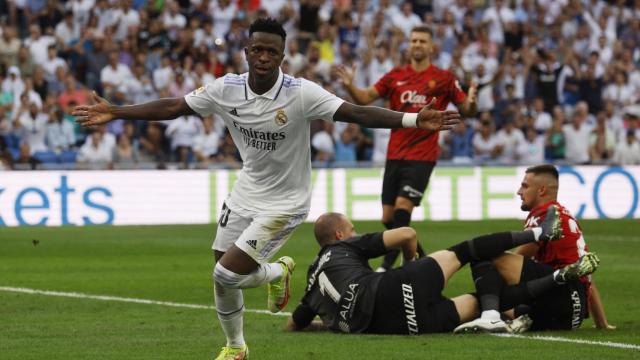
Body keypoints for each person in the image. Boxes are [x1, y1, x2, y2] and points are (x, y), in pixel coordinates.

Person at [72, 18, 461, 360]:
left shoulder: (301, 93)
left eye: (271, 51)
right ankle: (240, 338)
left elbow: (355, 112)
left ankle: (266, 286)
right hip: (247, 190)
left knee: (225, 276)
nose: (263, 56)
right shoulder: (226, 89)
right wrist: (117, 112)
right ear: (246, 52)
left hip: (287, 201)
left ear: (282, 56)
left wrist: (411, 119)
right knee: (221, 266)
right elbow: (175, 106)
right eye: (256, 49)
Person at [286, 211, 598, 335]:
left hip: (397, 326)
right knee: (467, 250)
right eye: (352, 229)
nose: (356, 232)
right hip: (395, 287)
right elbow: (407, 234)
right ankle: (539, 235)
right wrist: (412, 265)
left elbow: (294, 325)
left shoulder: (312, 283)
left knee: (480, 300)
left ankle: (503, 312)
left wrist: (328, 322)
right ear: (341, 235)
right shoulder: (347, 247)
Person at [334, 26, 477, 271]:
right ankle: (423, 260)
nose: (417, 44)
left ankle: (393, 263)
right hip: (395, 153)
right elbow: (366, 98)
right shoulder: (395, 76)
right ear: (408, 46)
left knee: (402, 210)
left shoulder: (444, 78)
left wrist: (472, 103)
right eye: (414, 41)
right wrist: (349, 86)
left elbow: (466, 109)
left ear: (432, 47)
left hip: (422, 156)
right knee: (388, 218)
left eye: (422, 41)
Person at [454, 164, 609, 333]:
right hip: (571, 316)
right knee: (490, 302)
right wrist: (602, 323)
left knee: (485, 256)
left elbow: (508, 265)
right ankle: (503, 316)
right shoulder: (565, 214)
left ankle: (489, 318)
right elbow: (586, 275)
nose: (519, 192)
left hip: (561, 297)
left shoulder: (544, 216)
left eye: (525, 186)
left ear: (541, 190)